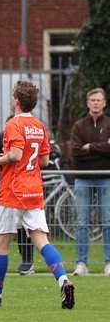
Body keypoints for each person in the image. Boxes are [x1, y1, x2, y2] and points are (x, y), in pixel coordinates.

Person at [0, 80, 75, 309]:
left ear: (17, 101)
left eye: (12, 96)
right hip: (34, 190)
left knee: (0, 245)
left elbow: (16, 155)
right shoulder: (39, 125)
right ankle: (63, 280)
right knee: (42, 240)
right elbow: (44, 161)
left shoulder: (13, 124)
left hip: (12, 191)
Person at [70, 87, 110, 276]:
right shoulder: (78, 126)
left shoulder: (109, 124)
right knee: (82, 222)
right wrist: (102, 148)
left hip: (106, 177)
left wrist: (90, 147)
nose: (95, 103)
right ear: (87, 103)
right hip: (83, 178)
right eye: (92, 100)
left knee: (108, 221)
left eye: (98, 100)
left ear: (104, 103)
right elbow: (76, 152)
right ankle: (81, 263)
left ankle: (109, 262)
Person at [0, 119, 35, 275]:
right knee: (2, 233)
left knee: (25, 228)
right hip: (5, 189)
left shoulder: (27, 138)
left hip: (22, 189)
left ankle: (27, 261)